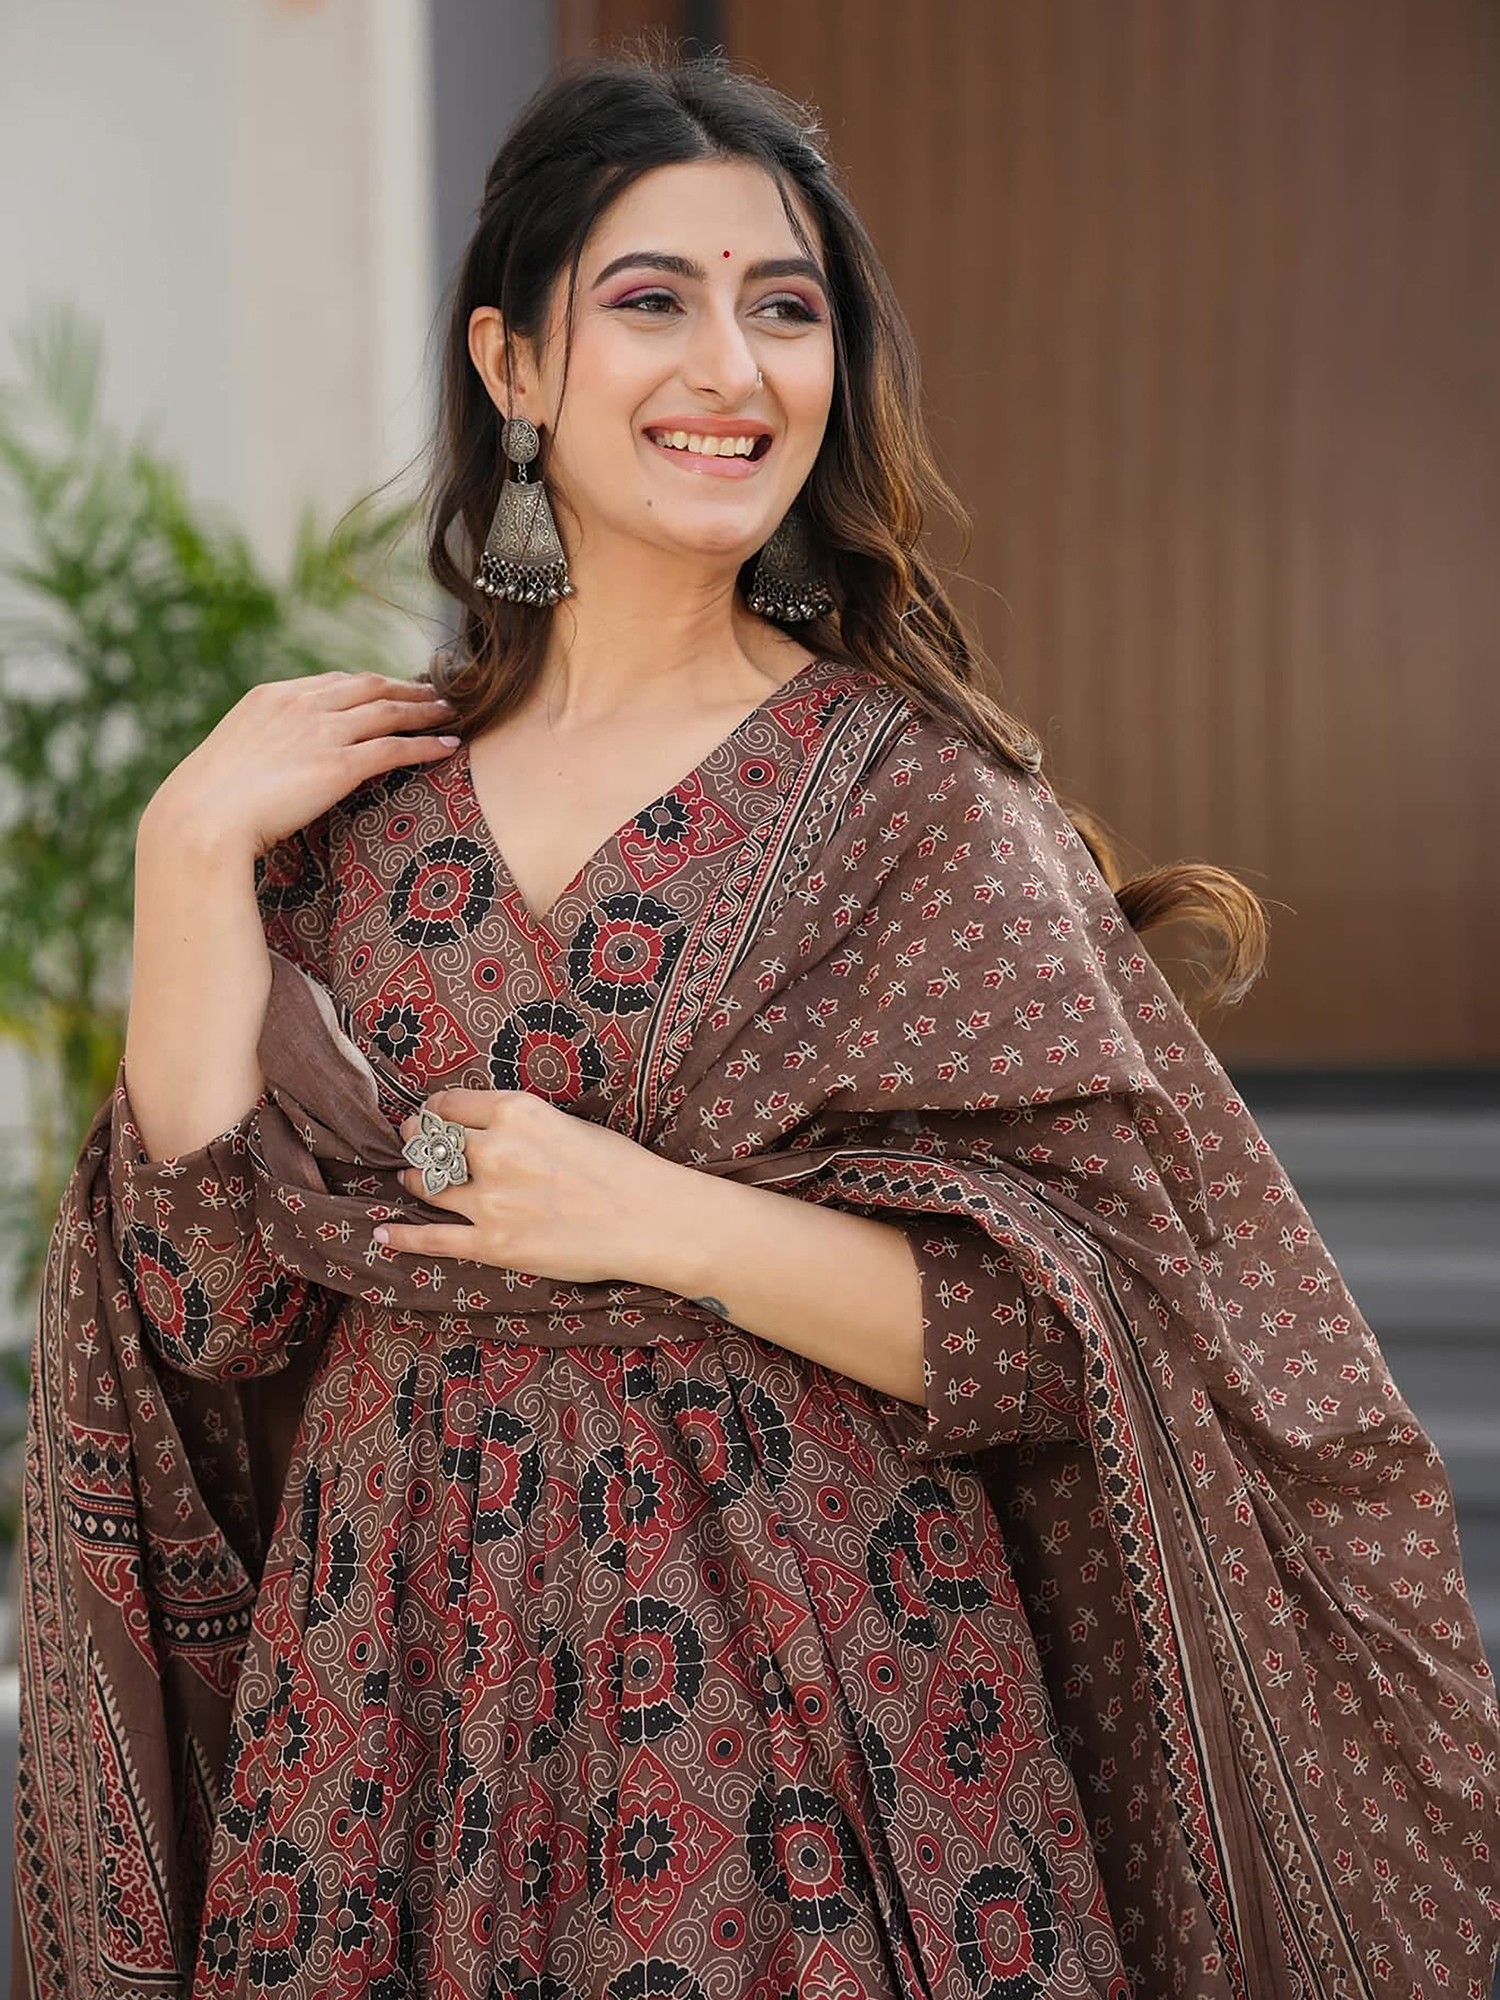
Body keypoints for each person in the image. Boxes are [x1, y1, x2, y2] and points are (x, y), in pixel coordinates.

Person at [14, 44, 1500, 2000]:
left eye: (784, 310)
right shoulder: (350, 815)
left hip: (809, 1712)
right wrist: (187, 849)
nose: (732, 367)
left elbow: (1065, 1336)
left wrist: (648, 1221)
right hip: (384, 1715)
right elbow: (203, 1309)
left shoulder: (920, 808)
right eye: (654, 301)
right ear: (512, 363)